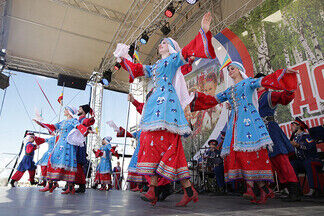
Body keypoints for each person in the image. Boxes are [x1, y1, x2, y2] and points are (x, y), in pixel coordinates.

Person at [115, 12, 216, 206]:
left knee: (169, 145)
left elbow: (187, 51)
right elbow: (137, 70)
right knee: (147, 141)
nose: (160, 44)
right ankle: (155, 189)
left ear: (169, 47)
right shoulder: (154, 66)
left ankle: (186, 190)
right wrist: (123, 57)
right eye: (160, 42)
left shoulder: (174, 59)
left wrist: (203, 30)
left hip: (168, 105)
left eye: (163, 42)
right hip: (154, 106)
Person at [189, 61, 298, 204]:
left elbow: (268, 83)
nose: (229, 71)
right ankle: (259, 188)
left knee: (271, 159)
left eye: (232, 68)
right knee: (241, 155)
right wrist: (193, 98)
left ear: (240, 70)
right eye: (228, 70)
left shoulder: (254, 87)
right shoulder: (231, 90)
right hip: (239, 126)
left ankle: (283, 189)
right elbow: (213, 99)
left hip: (257, 126)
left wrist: (285, 75)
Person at [255, 73, 300, 201]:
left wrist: (289, 86)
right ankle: (276, 189)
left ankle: (294, 192)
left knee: (281, 160)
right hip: (258, 133)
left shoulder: (269, 95)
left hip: (270, 130)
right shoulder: (252, 98)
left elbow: (285, 98)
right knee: (267, 162)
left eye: (258, 81)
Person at [33, 106, 80, 194]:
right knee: (52, 160)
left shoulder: (74, 121)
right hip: (59, 144)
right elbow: (52, 126)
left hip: (68, 145)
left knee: (67, 162)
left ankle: (70, 187)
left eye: (66, 110)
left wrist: (88, 130)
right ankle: (50, 184)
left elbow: (80, 127)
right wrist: (40, 123)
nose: (64, 111)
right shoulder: (62, 122)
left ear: (69, 112)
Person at [290, 117, 322, 197]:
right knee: (292, 164)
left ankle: (314, 189)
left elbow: (310, 146)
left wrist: (298, 145)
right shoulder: (294, 138)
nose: (291, 127)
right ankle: (296, 190)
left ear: (299, 126)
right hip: (302, 162)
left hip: (313, 160)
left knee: (308, 162)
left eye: (293, 125)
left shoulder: (307, 136)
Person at [74, 104, 95, 193]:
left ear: (83, 110)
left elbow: (88, 122)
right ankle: (70, 184)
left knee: (78, 164)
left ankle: (82, 185)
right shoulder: (78, 119)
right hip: (75, 142)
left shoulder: (83, 119)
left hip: (79, 143)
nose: (78, 110)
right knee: (74, 164)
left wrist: (92, 118)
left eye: (80, 109)